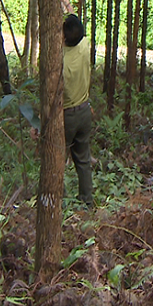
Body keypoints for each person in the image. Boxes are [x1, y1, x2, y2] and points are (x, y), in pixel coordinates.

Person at [63, 13, 93, 206]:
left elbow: (53, 95)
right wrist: (65, 3)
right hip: (84, 112)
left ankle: (59, 201)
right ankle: (87, 202)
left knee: (57, 161)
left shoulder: (60, 60)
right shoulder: (84, 45)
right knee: (83, 160)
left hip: (66, 116)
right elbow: (75, 27)